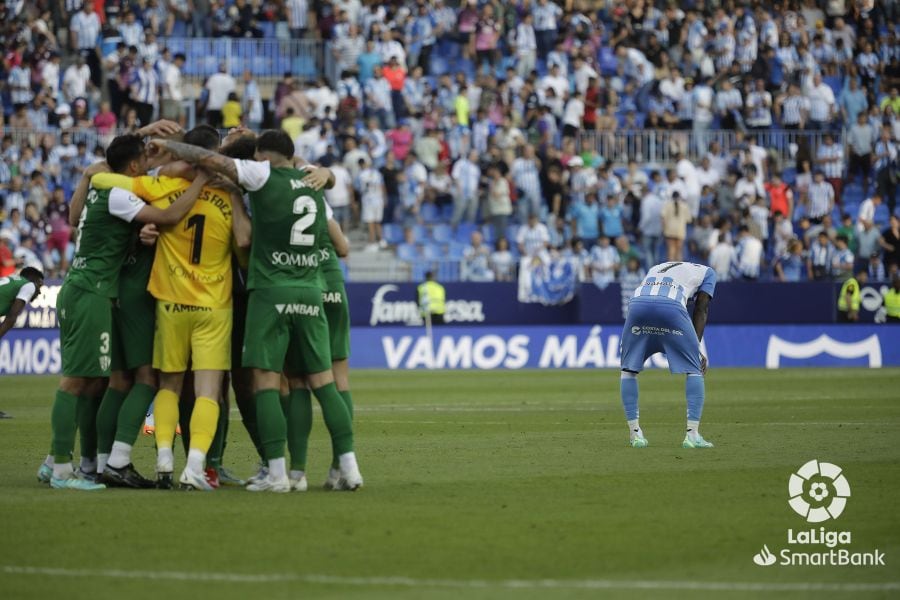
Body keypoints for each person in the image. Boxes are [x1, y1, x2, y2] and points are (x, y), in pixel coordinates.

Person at [150, 130, 363, 492]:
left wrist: (169, 146)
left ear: (261, 157)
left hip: (265, 291)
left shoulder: (258, 176)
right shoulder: (310, 179)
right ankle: (346, 466)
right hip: (312, 290)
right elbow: (341, 242)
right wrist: (327, 173)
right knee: (320, 381)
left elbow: (211, 164)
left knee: (263, 383)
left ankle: (279, 473)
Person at [43, 133, 207, 491]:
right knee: (81, 381)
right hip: (93, 290)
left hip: (96, 290)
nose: (150, 165)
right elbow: (168, 214)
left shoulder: (106, 186)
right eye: (145, 160)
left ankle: (92, 463)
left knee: (97, 382)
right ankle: (62, 467)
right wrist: (204, 178)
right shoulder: (119, 193)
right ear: (134, 165)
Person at [619, 261, 717, 449]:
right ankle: (692, 435)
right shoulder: (708, 273)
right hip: (671, 305)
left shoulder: (657, 266)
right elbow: (701, 307)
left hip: (638, 304)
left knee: (627, 369)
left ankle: (635, 434)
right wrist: (695, 348)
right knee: (694, 368)